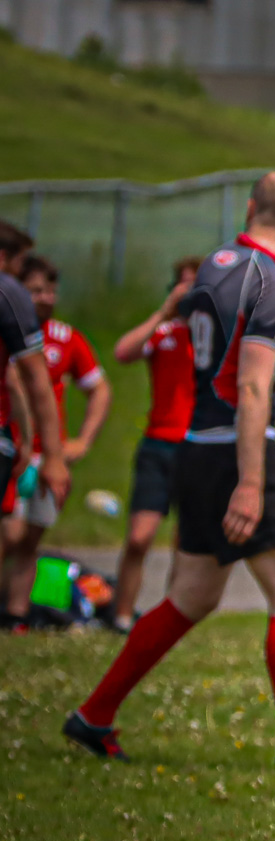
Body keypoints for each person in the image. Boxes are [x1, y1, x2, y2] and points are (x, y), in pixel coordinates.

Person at [63, 171, 275, 771]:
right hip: (238, 450)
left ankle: (93, 715)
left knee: (194, 594)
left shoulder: (213, 268)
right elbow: (254, 388)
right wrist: (253, 483)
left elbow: (247, 376)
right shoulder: (272, 284)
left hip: (195, 447)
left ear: (251, 206)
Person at [2, 255, 110, 628]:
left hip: (48, 457)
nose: (46, 298)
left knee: (29, 540)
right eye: (35, 290)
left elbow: (99, 389)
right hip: (12, 450)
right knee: (9, 534)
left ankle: (16, 617)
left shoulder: (66, 338)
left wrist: (81, 442)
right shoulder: (9, 332)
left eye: (51, 290)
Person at [110, 256, 201, 628]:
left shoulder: (214, 335)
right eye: (184, 285)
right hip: (158, 444)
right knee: (139, 537)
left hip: (196, 446)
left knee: (185, 543)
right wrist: (165, 312)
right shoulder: (163, 334)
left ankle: (170, 621)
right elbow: (123, 352)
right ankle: (119, 615)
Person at [0, 223, 70, 620]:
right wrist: (44, 450)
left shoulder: (64, 336)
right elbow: (31, 381)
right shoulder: (8, 292)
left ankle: (15, 614)